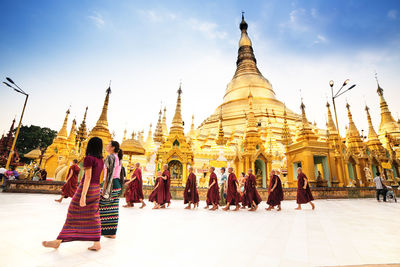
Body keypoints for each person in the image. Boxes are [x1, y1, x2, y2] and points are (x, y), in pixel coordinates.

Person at [42, 137, 104, 251]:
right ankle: (96, 242)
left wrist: (83, 195)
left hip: (87, 189)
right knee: (93, 214)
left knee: (73, 212)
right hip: (96, 189)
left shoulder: (89, 158)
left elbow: (88, 177)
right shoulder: (101, 160)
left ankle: (58, 241)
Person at [99, 141, 124, 239]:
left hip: (111, 184)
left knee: (101, 206)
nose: (106, 146)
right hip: (116, 184)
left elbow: (109, 175)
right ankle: (111, 232)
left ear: (113, 147)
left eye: (108, 145)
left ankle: (100, 230)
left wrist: (104, 189)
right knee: (113, 209)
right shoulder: (118, 157)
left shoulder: (111, 157)